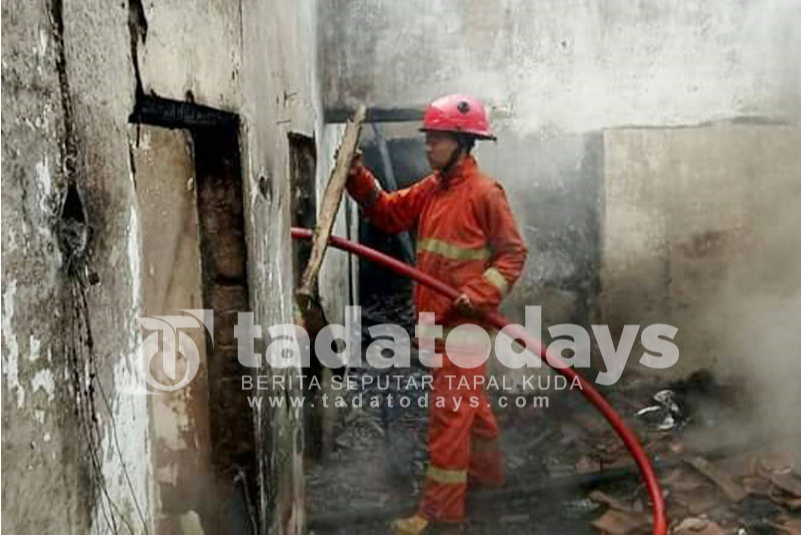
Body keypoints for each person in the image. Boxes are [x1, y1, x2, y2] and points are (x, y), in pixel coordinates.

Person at [346, 94, 528, 534]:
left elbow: (512, 255)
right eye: (428, 138)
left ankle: (439, 514)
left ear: (463, 142)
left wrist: (480, 292)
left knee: (448, 418)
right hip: (435, 326)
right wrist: (356, 177)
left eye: (437, 139)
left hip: (465, 329)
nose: (427, 146)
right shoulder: (433, 189)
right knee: (471, 410)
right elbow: (389, 215)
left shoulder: (485, 193)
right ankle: (488, 481)